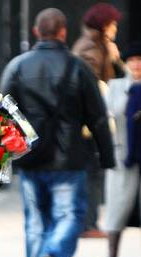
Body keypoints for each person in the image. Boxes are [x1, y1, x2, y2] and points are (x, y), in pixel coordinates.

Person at [0, 8, 115, 257]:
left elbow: (0, 114)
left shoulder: (17, 67)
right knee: (70, 216)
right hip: (69, 159)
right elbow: (97, 116)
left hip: (29, 158)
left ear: (36, 32)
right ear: (63, 32)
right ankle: (53, 254)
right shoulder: (79, 68)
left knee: (35, 224)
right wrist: (107, 156)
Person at [72, 3, 123, 238]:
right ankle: (88, 224)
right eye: (112, 24)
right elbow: (94, 88)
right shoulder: (91, 48)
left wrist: (114, 58)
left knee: (91, 171)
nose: (115, 29)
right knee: (91, 172)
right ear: (103, 26)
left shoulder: (98, 46)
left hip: (88, 121)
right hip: (87, 124)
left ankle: (87, 222)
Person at [99, 41, 141, 257]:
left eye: (140, 61)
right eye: (132, 60)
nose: (136, 65)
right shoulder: (115, 86)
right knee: (116, 208)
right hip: (122, 155)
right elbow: (106, 118)